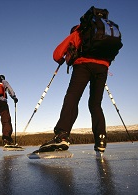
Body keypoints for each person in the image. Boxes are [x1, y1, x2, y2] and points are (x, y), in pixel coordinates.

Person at [38, 24, 110, 154]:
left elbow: (57, 54)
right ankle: (101, 139)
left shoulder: (77, 33)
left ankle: (62, 135)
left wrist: (62, 59)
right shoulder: (101, 34)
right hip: (102, 68)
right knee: (95, 104)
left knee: (72, 97)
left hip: (83, 66)